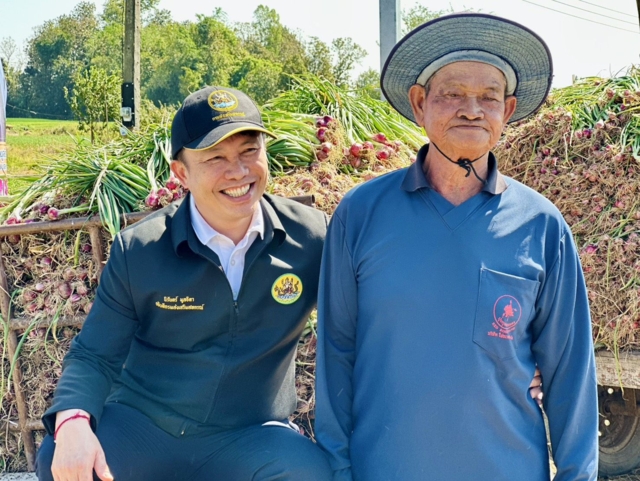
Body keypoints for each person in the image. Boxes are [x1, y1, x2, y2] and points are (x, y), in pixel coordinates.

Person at [314, 12, 598, 481]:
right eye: (452, 94)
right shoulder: (360, 215)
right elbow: (336, 354)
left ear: (507, 111)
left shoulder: (542, 226)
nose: (472, 109)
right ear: (420, 103)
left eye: (489, 97)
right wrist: (339, 470)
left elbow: (571, 372)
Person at [36, 86, 332, 481]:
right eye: (215, 158)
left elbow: (356, 330)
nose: (238, 171)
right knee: (63, 459)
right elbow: (94, 353)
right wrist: (73, 420)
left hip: (250, 434)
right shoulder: (140, 249)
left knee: (309, 474)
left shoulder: (311, 237)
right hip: (145, 427)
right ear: (181, 173)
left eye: (249, 151)